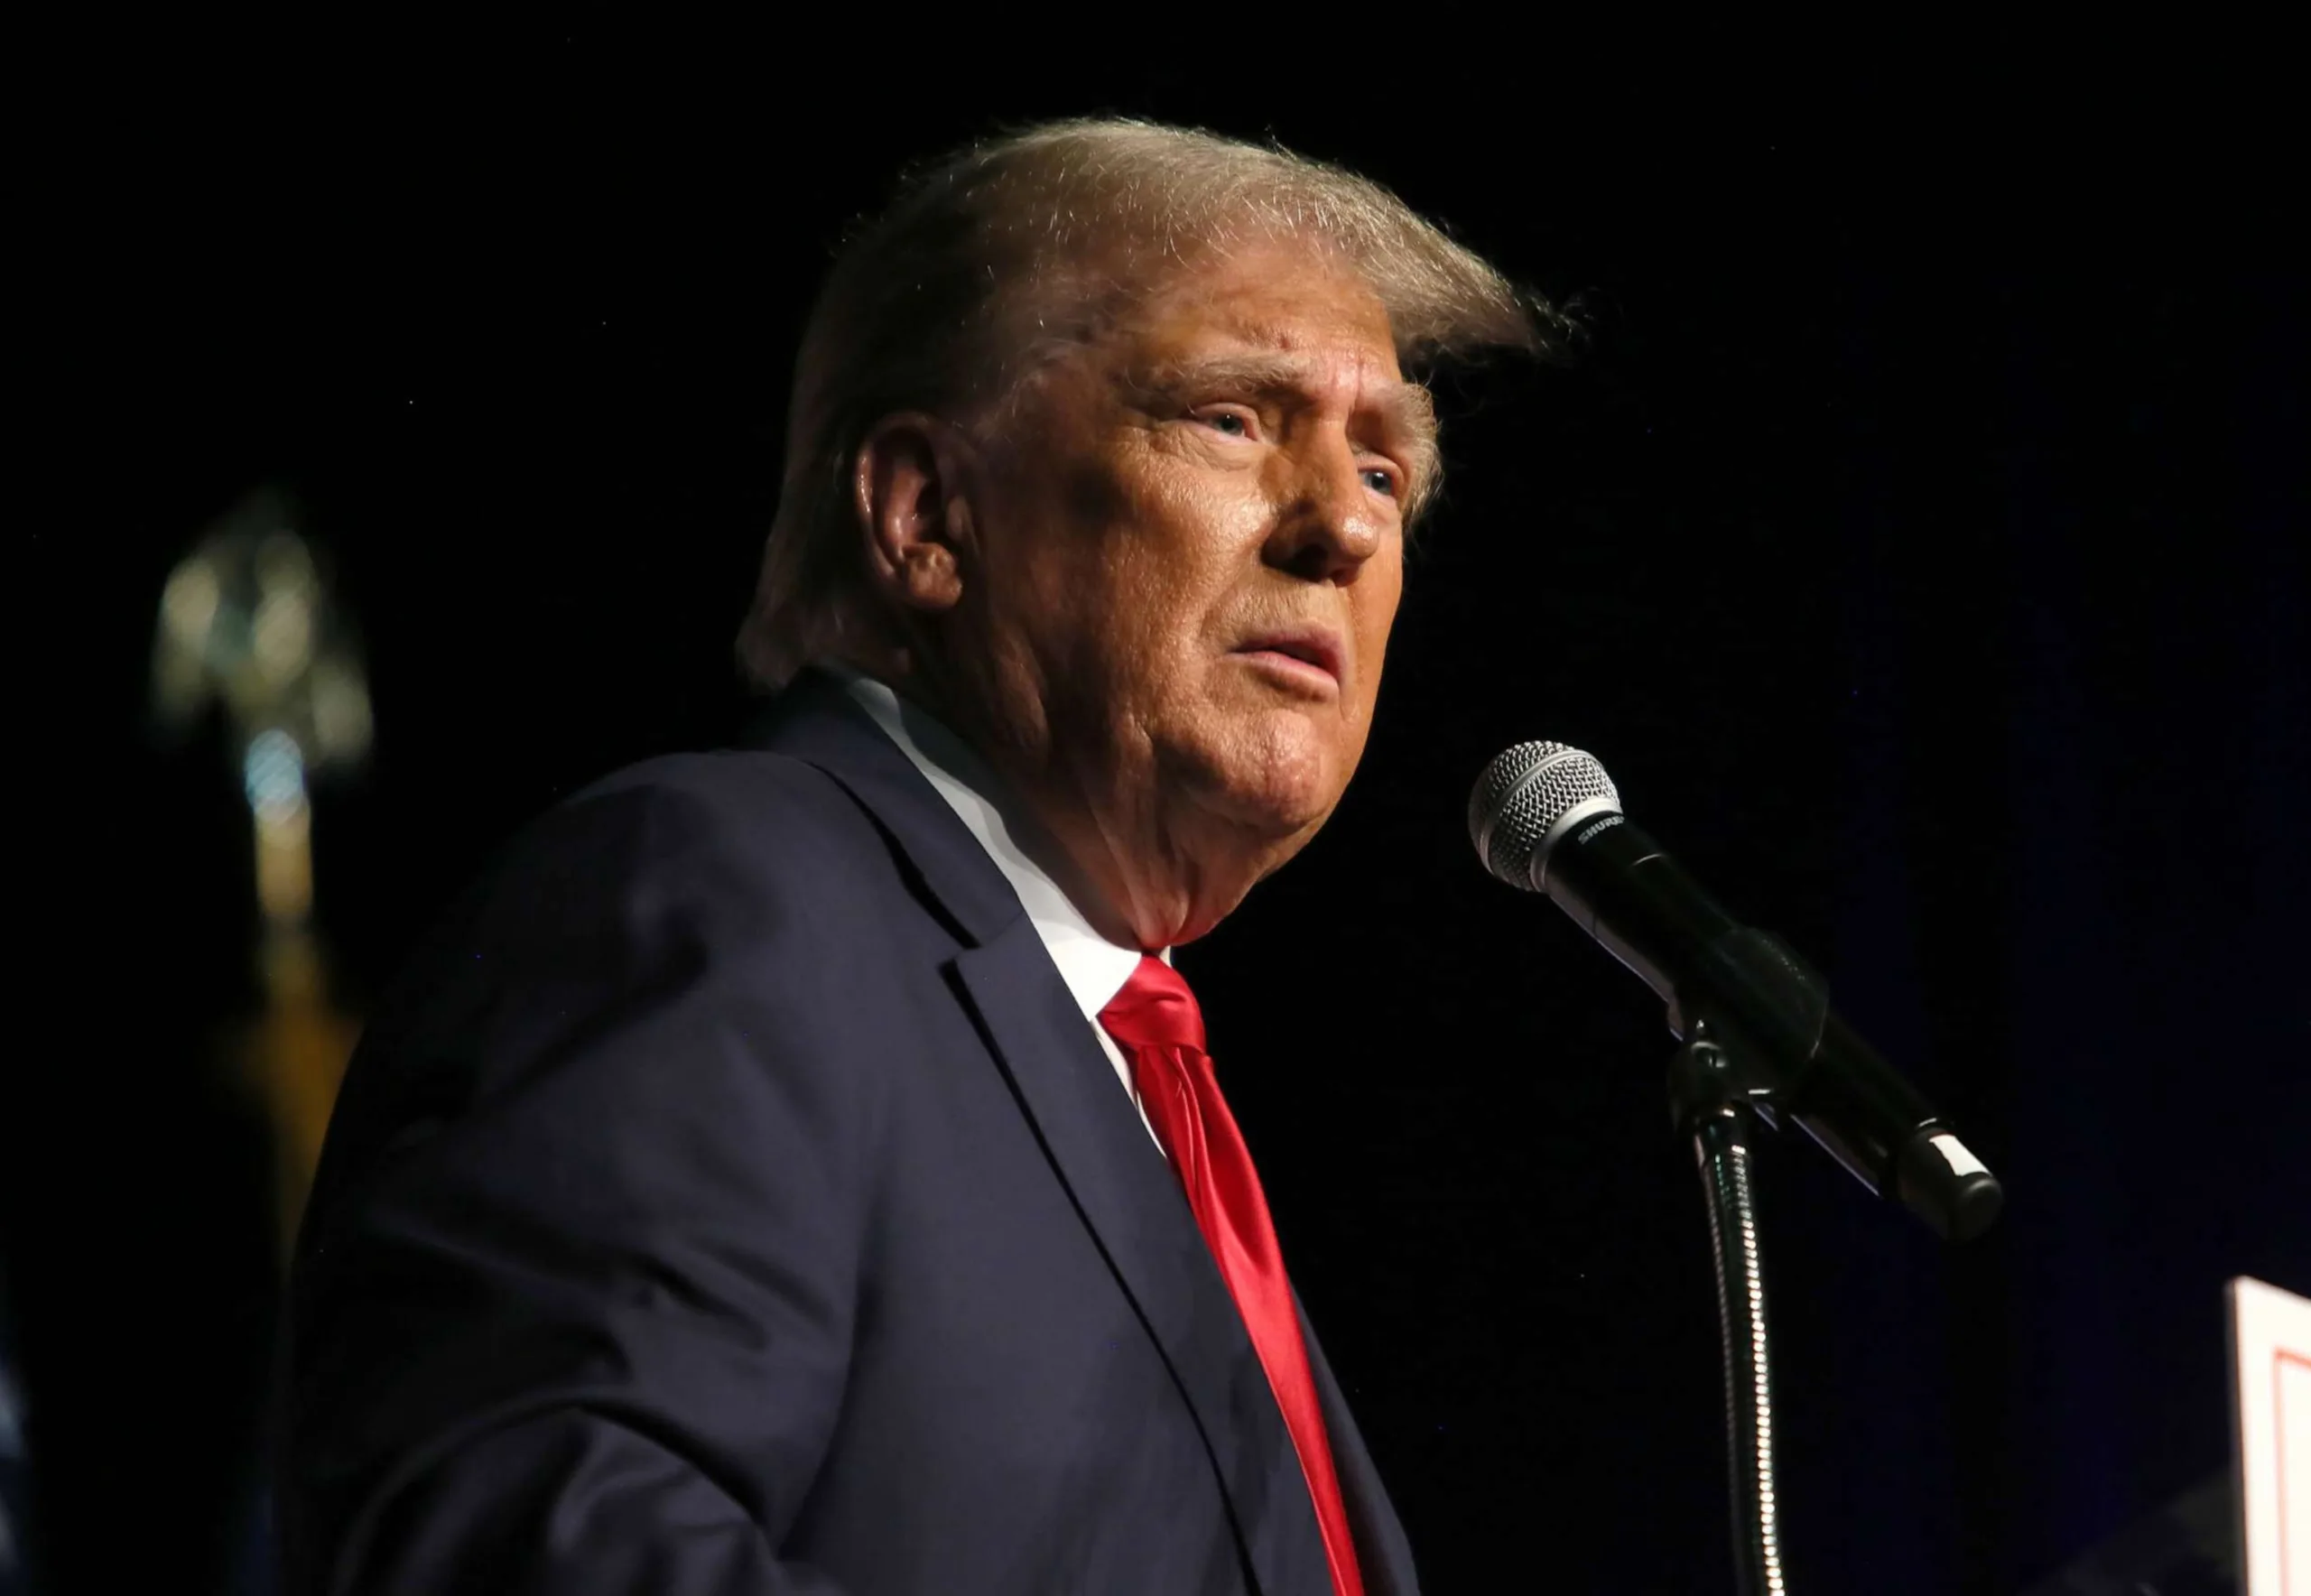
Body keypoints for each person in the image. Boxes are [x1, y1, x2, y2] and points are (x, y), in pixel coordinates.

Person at [279, 117, 1554, 1596]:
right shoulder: (722, 893)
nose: (1342, 521)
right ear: (927, 515)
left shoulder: (1123, 1071)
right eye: (1231, 417)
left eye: (1389, 469)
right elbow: (530, 1538)